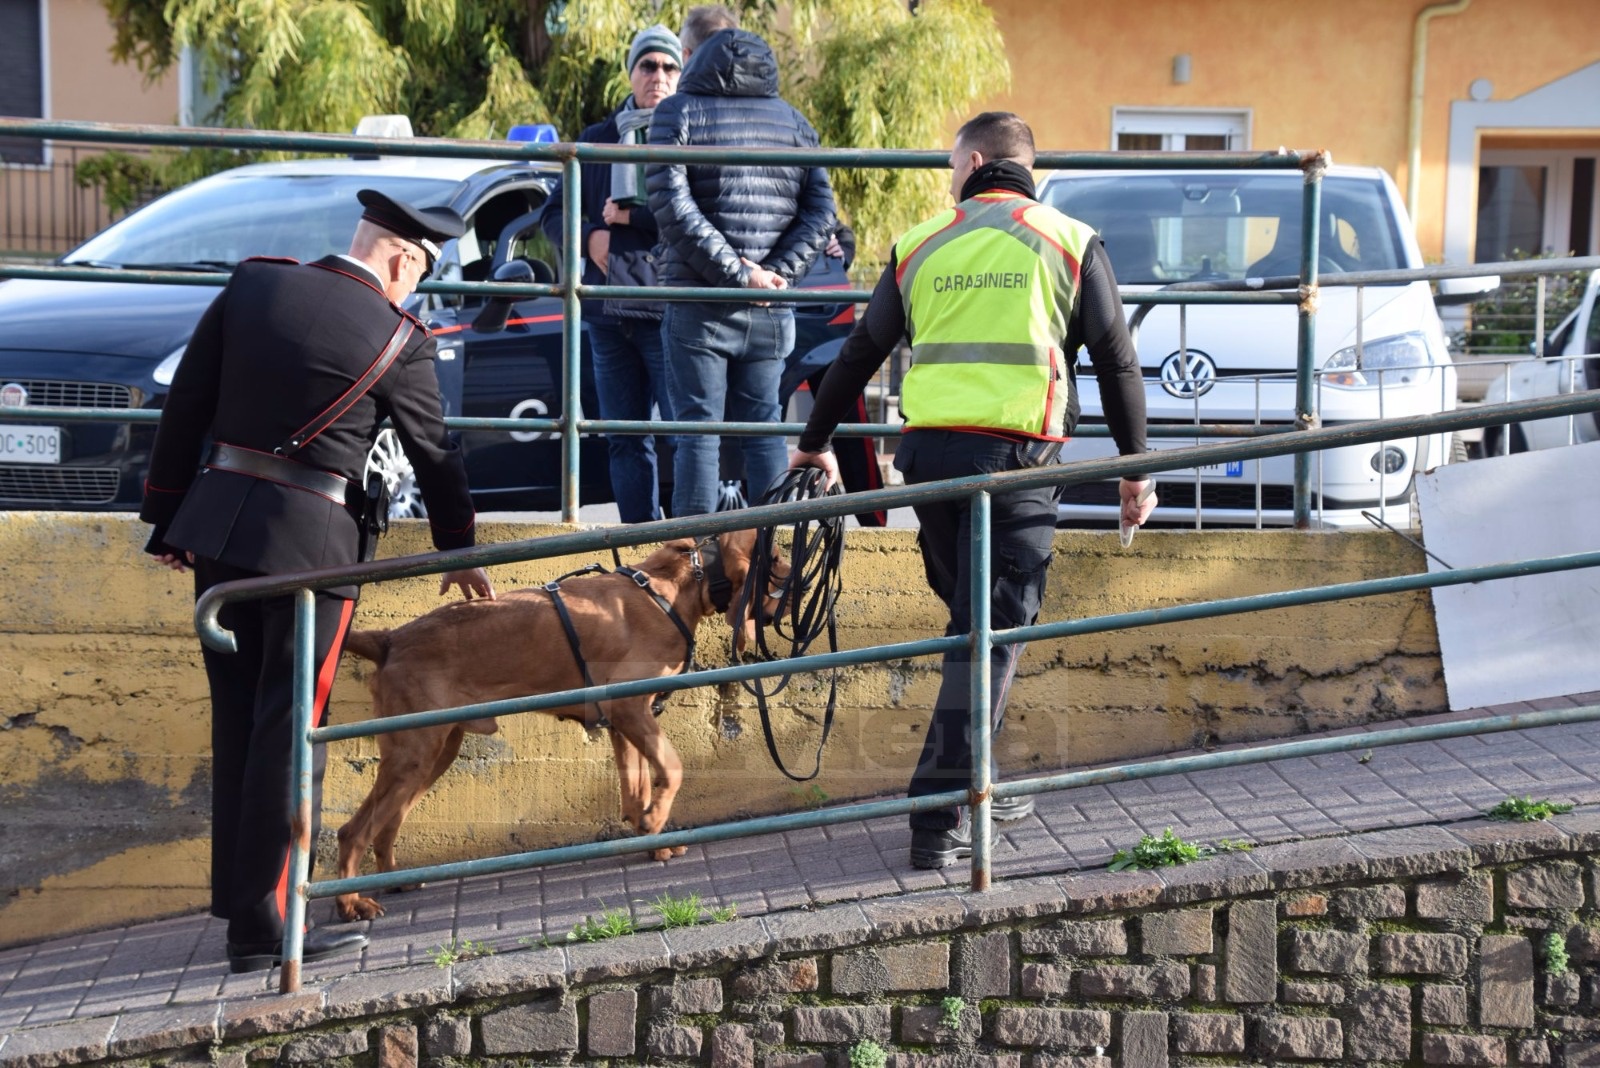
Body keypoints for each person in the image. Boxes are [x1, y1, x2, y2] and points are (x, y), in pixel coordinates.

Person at [140, 189, 496, 972]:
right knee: (291, 729)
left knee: (240, 722)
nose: (415, 291)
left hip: (218, 533)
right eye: (420, 274)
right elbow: (437, 455)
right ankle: (270, 927)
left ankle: (245, 909)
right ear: (403, 257)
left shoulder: (254, 285)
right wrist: (459, 548)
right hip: (314, 548)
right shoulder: (399, 337)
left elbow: (185, 407)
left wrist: (166, 521)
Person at [787, 112, 1155, 870]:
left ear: (978, 161)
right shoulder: (1070, 241)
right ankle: (937, 815)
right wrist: (1134, 466)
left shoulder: (922, 242)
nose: (949, 182)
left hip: (930, 466)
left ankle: (979, 783)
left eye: (953, 168)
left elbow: (861, 350)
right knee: (989, 639)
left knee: (971, 632)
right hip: (1016, 468)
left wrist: (814, 442)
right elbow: (1117, 359)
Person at [648, 8, 836, 517]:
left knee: (699, 435)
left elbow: (671, 208)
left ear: (690, 55)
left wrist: (738, 273)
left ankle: (690, 566)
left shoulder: (676, 113)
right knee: (764, 430)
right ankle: (771, 565)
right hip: (772, 307)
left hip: (700, 301)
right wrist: (776, 275)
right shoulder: (794, 121)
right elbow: (822, 213)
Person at [540, 25, 682, 522]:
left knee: (688, 438)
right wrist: (588, 237)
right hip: (607, 315)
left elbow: (690, 220)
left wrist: (625, 219)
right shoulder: (597, 140)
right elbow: (553, 214)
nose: (658, 77)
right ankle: (641, 547)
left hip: (669, 311)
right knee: (625, 440)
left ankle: (690, 549)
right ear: (631, 72)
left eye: (669, 67)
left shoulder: (688, 136)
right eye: (648, 66)